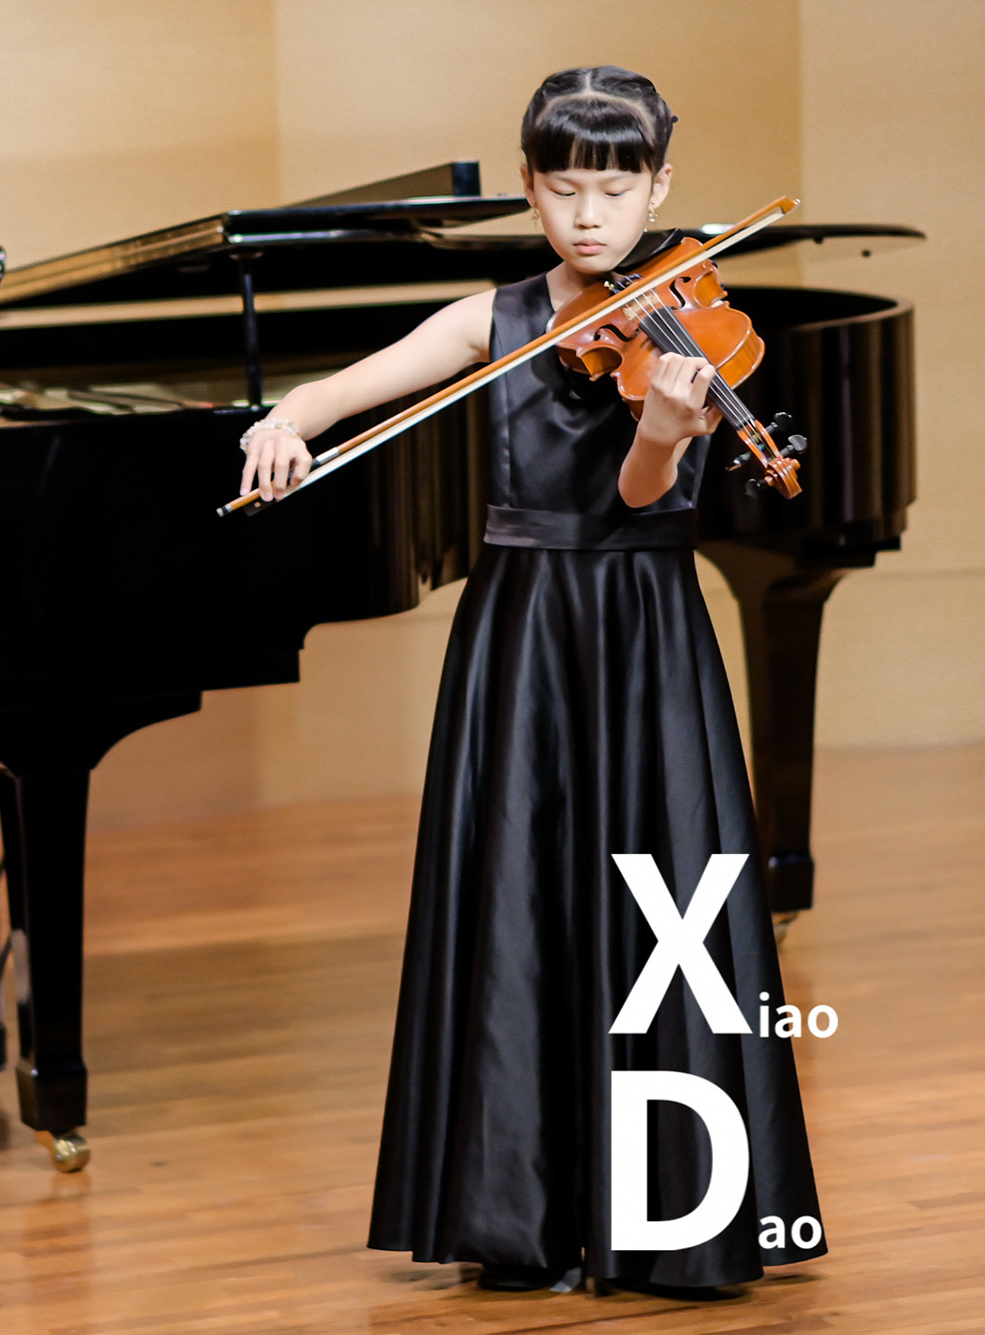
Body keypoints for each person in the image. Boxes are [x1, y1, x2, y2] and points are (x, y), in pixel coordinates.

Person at [240, 68, 823, 1295]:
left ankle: (673, 1219)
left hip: (643, 629)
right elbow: (345, 389)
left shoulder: (690, 334)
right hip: (519, 636)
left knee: (665, 904)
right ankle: (520, 1212)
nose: (590, 218)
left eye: (615, 191)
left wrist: (664, 429)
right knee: (516, 892)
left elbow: (643, 498)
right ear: (528, 189)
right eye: (563, 191)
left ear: (660, 188)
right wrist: (285, 420)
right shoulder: (493, 318)